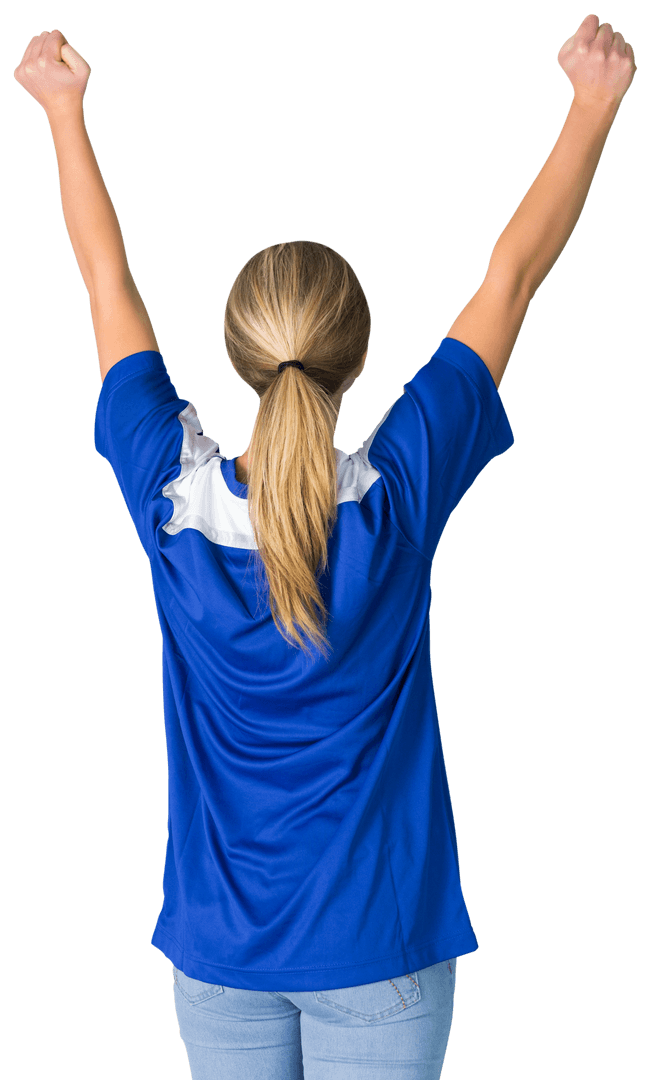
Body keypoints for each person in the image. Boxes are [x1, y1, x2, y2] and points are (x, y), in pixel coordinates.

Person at [14, 12, 636, 1080]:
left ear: (239, 353)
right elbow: (510, 280)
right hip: (379, 957)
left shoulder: (172, 502)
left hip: (220, 961)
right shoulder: (393, 502)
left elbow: (104, 287)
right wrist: (592, 107)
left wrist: (64, 114)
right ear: (353, 360)